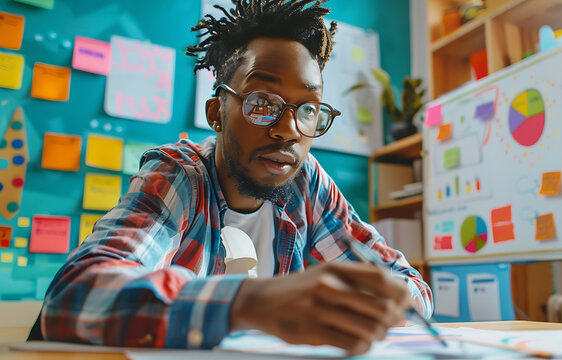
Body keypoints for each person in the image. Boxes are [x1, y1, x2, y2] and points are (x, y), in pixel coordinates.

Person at [29, 0, 433, 355]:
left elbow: (408, 284)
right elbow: (74, 296)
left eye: (308, 108)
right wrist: (252, 303)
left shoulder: (307, 183)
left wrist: (382, 301)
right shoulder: (179, 174)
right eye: (262, 103)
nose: (288, 129)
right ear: (216, 114)